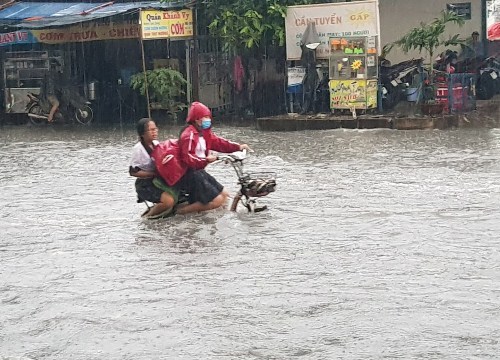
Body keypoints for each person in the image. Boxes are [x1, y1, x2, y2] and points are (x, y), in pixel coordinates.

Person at [177, 102, 251, 211]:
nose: (208, 120)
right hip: (190, 174)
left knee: (225, 195)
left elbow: (219, 143)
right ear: (197, 119)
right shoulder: (188, 135)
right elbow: (187, 157)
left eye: (208, 117)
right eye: (205, 117)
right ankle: (180, 213)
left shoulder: (205, 133)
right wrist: (206, 160)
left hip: (200, 172)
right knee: (218, 201)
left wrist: (238, 147)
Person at [129, 118, 178, 219]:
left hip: (158, 180)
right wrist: (152, 174)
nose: (154, 132)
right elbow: (133, 172)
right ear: (142, 133)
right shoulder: (138, 149)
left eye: (155, 129)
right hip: (145, 184)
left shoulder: (156, 144)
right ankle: (147, 218)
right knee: (168, 201)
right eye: (151, 130)